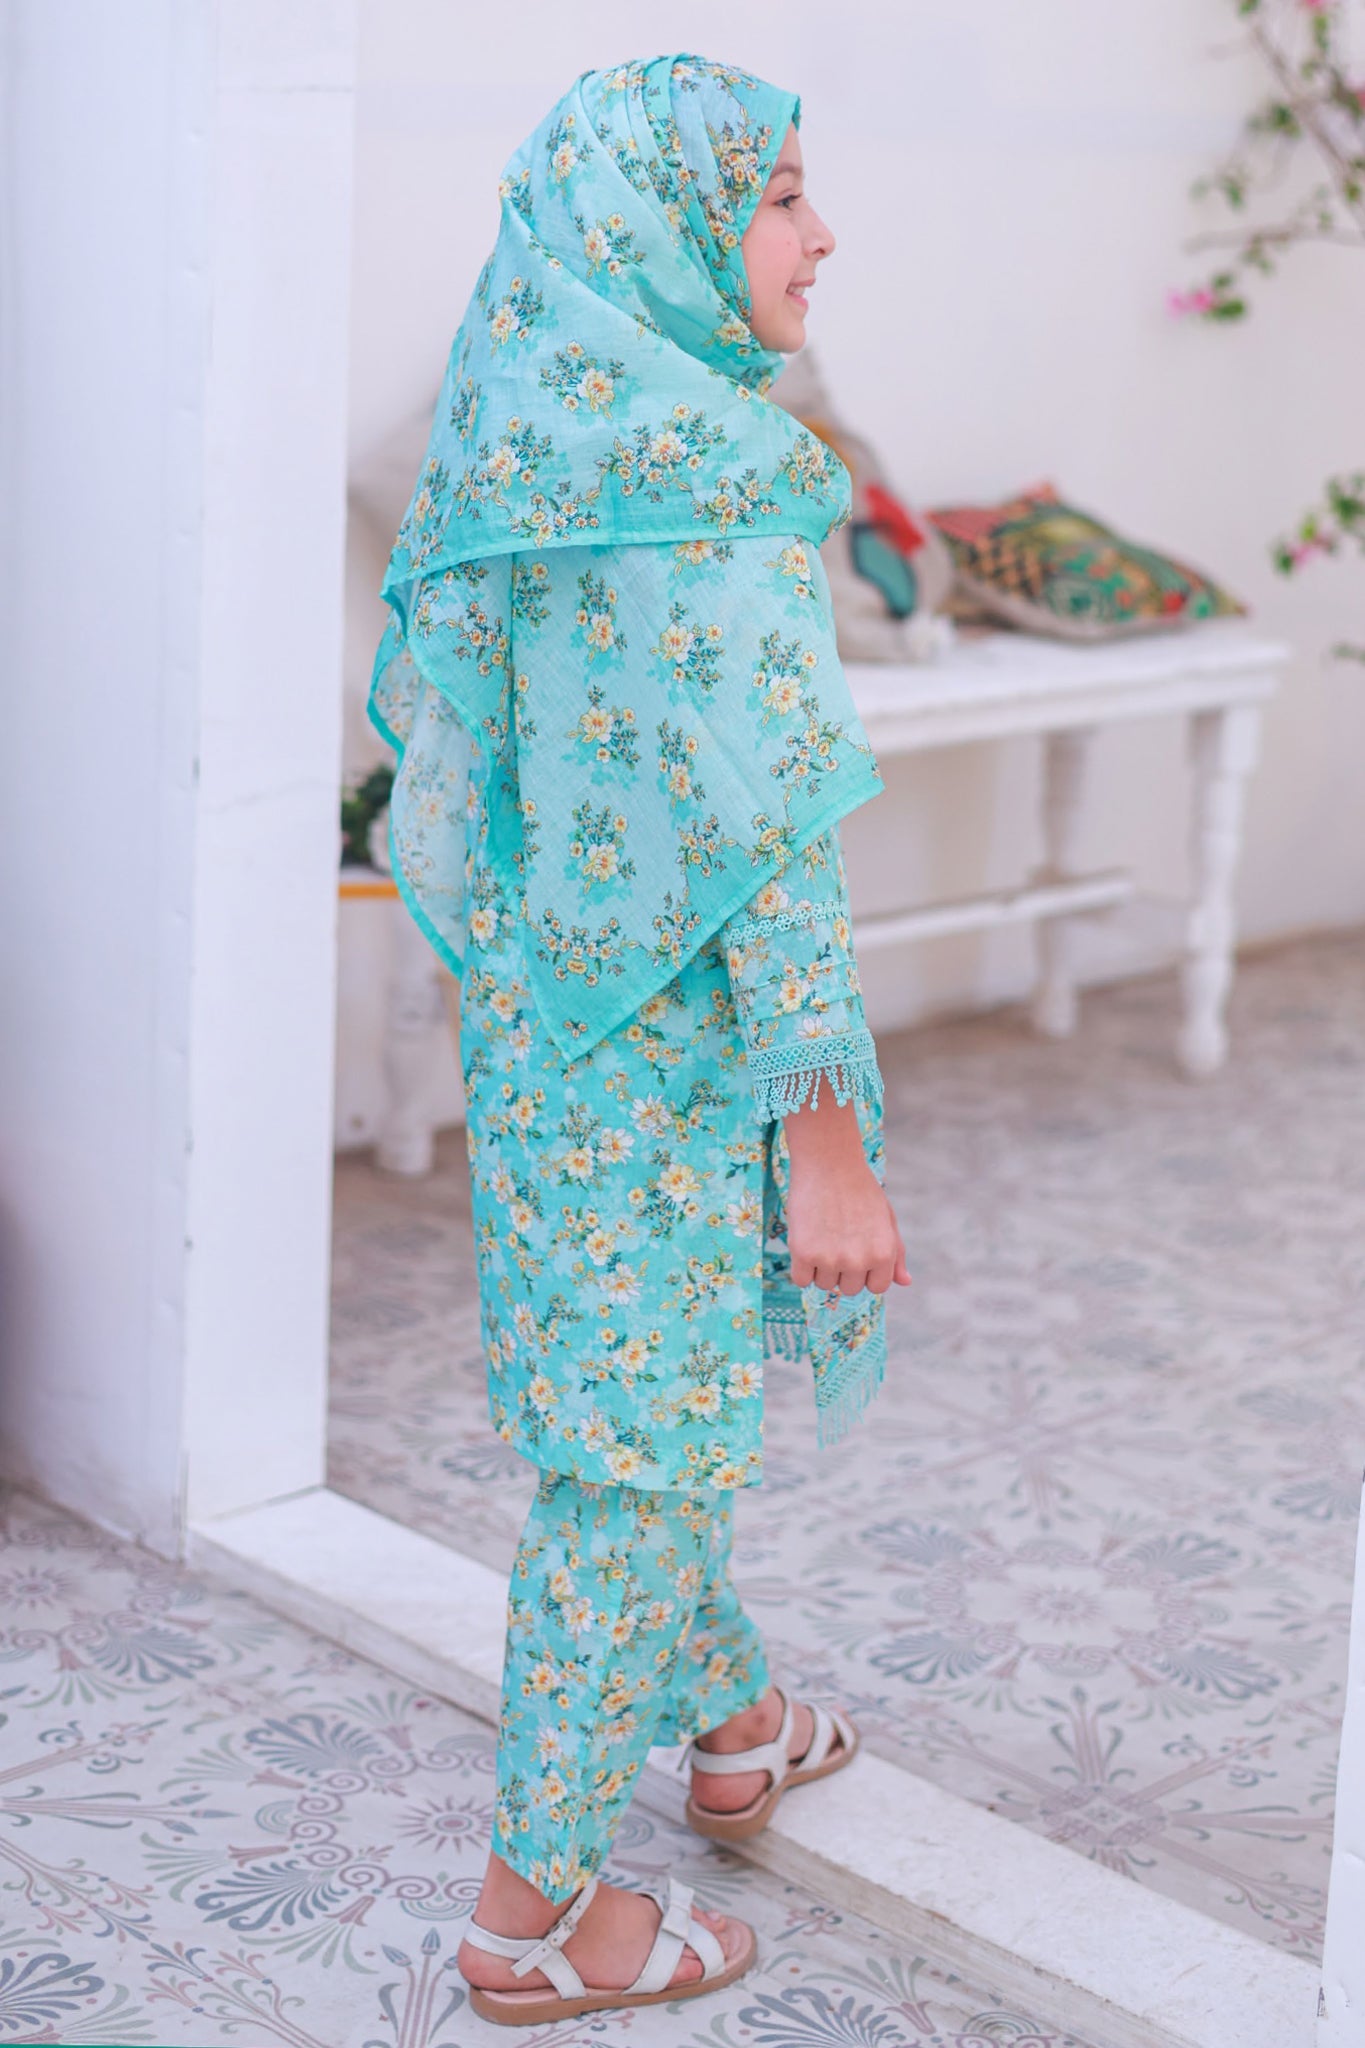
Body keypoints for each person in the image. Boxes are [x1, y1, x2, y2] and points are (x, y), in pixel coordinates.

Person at [368, 51, 911, 2027]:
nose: (818, 233)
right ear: (663, 230)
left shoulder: (531, 442)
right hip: (675, 1066)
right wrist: (826, 1142)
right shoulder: (716, 485)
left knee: (623, 1427)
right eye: (775, 194)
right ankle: (533, 1915)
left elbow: (483, 770)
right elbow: (771, 844)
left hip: (544, 1054)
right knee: (639, 1477)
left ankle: (737, 1726)